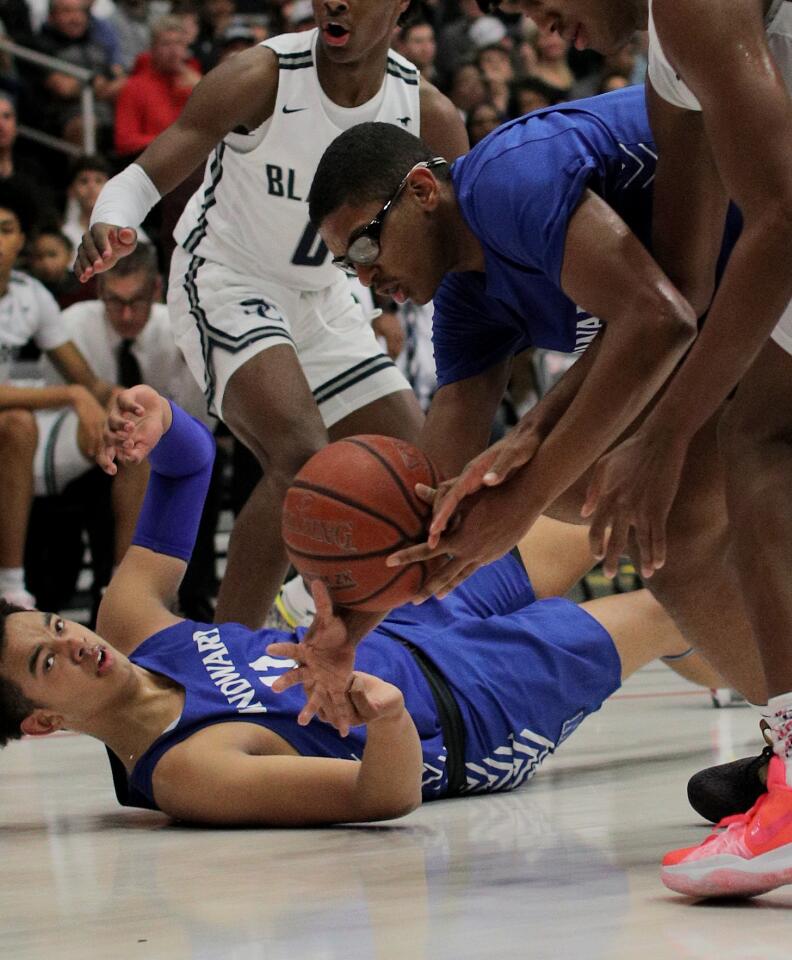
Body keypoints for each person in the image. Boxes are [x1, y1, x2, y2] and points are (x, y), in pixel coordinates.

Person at [0, 382, 714, 827]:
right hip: (468, 701)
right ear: (43, 721)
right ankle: (764, 678)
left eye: (56, 626)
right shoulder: (190, 771)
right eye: (46, 661)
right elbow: (380, 799)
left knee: (607, 512)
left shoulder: (130, 623)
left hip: (403, 610)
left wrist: (161, 421)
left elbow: (188, 466)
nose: (74, 643)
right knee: (667, 606)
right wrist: (386, 710)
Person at [303, 91, 769, 759]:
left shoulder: (506, 180)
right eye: (351, 267)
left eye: (368, 243)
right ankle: (786, 739)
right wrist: (352, 626)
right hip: (744, 313)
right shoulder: (468, 297)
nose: (370, 275)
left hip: (767, 257)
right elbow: (430, 500)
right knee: (647, 522)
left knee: (610, 495)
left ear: (423, 191)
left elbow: (660, 319)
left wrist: (519, 504)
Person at [483, 0, 792, 900]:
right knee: (759, 439)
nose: (547, 32)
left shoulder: (687, 6)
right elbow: (683, 279)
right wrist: (536, 433)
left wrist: (664, 435)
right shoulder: (667, 47)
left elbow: (779, 220)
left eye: (546, 5)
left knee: (760, 443)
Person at [74, 0, 468, 630]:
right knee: (301, 458)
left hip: (330, 296)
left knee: (423, 476)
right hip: (229, 277)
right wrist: (112, 217)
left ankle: (306, 607)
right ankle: (228, 662)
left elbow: (456, 245)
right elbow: (149, 171)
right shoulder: (263, 76)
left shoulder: (431, 113)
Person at [0, 182, 112, 608]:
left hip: (30, 422)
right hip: (17, 421)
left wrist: (122, 398)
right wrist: (70, 395)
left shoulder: (32, 296)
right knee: (17, 423)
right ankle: (10, 583)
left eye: (7, 229)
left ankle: (122, 583)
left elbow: (85, 378)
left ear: (22, 240)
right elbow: (72, 388)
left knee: (128, 429)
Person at [113, 15, 201, 159]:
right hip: (150, 165)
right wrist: (172, 143)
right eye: (166, 44)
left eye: (179, 43)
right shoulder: (134, 87)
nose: (174, 51)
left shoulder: (195, 82)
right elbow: (124, 141)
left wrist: (200, 87)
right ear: (153, 49)